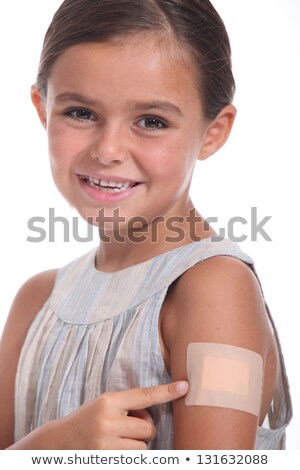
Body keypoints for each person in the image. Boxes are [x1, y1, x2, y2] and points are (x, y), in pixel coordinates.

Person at [0, 0, 292, 450]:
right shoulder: (35, 302)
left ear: (213, 132)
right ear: (42, 108)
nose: (109, 149)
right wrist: (48, 448)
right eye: (80, 112)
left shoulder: (213, 289)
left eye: (151, 121)